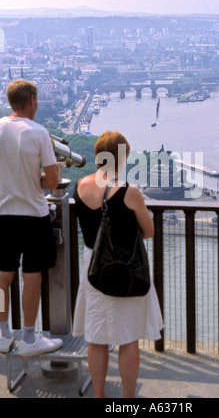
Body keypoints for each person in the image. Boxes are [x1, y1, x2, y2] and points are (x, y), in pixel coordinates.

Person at [73, 131, 164, 398]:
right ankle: (127, 399)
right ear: (122, 158)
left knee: (97, 337)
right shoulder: (129, 191)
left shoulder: (80, 186)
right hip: (125, 267)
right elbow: (148, 231)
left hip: (93, 266)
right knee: (128, 338)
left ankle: (99, 395)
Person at [0, 79, 63, 356]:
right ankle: (28, 337)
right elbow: (52, 181)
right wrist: (32, 177)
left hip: (3, 215)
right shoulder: (39, 133)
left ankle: (2, 334)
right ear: (33, 100)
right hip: (34, 216)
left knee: (2, 277)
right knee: (32, 276)